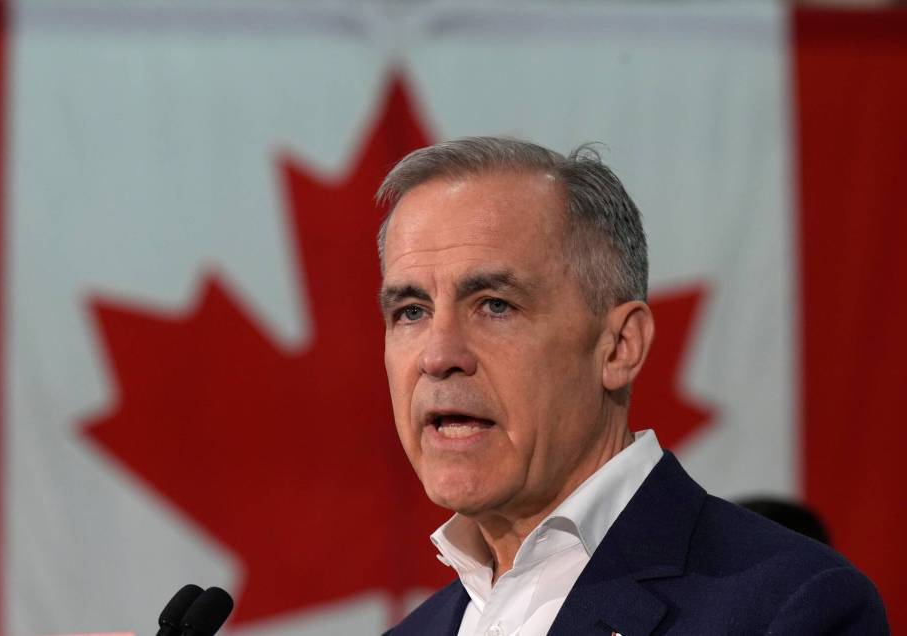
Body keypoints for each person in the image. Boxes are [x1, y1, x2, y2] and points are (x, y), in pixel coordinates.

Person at [376, 137, 888, 635]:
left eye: (495, 305)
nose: (438, 355)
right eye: (411, 311)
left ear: (620, 346)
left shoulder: (792, 608)